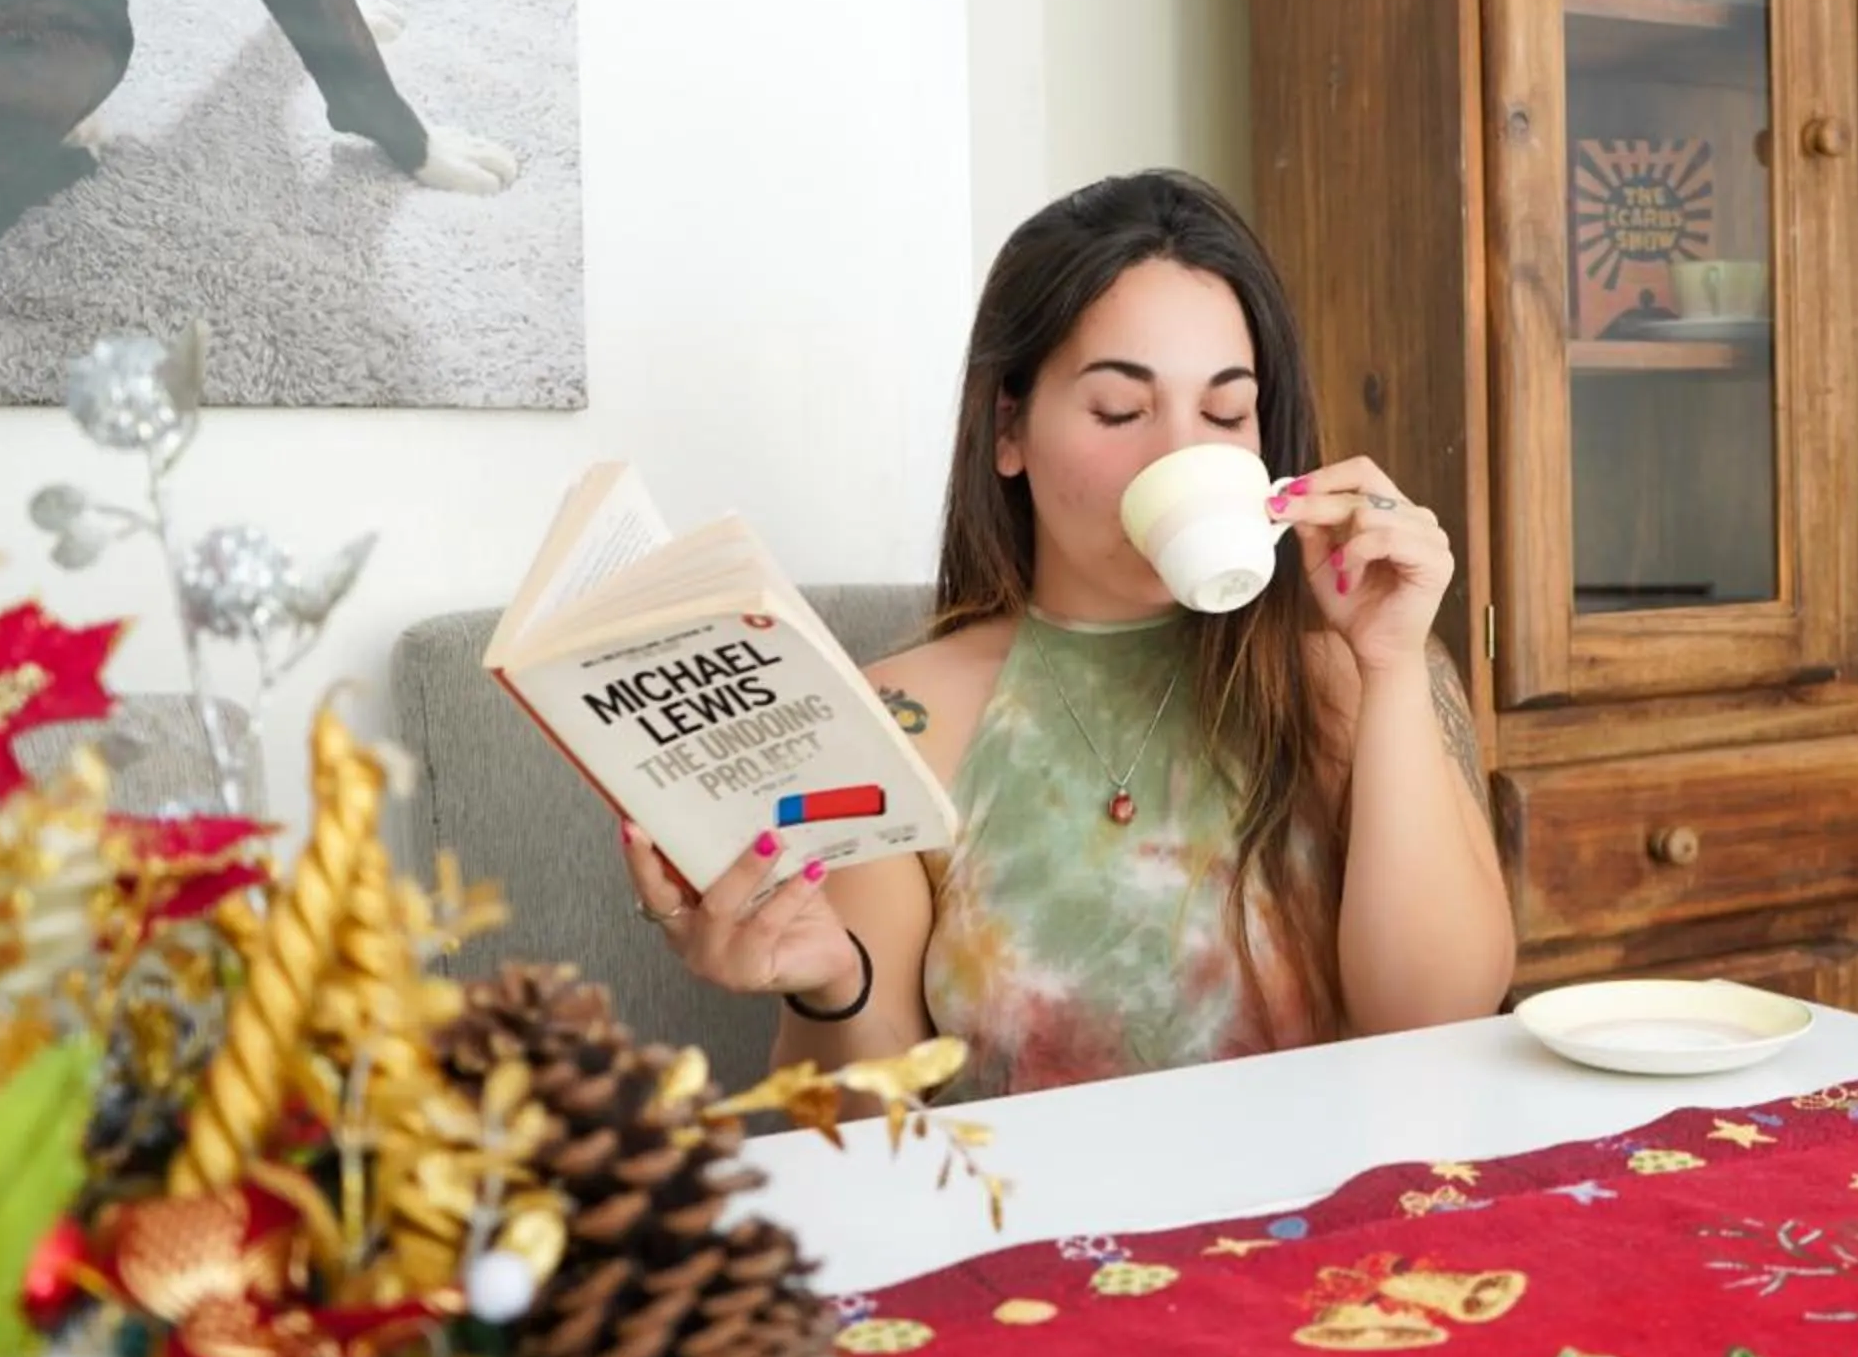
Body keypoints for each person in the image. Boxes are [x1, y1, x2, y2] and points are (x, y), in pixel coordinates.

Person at [618, 168, 1513, 1100]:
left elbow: (1437, 1027)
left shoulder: (1351, 676)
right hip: (1037, 1238)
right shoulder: (896, 719)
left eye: (1225, 412)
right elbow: (853, 1125)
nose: (1181, 453)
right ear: (1010, 428)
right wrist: (832, 987)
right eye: (1121, 410)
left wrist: (1393, 663)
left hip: (1336, 1224)